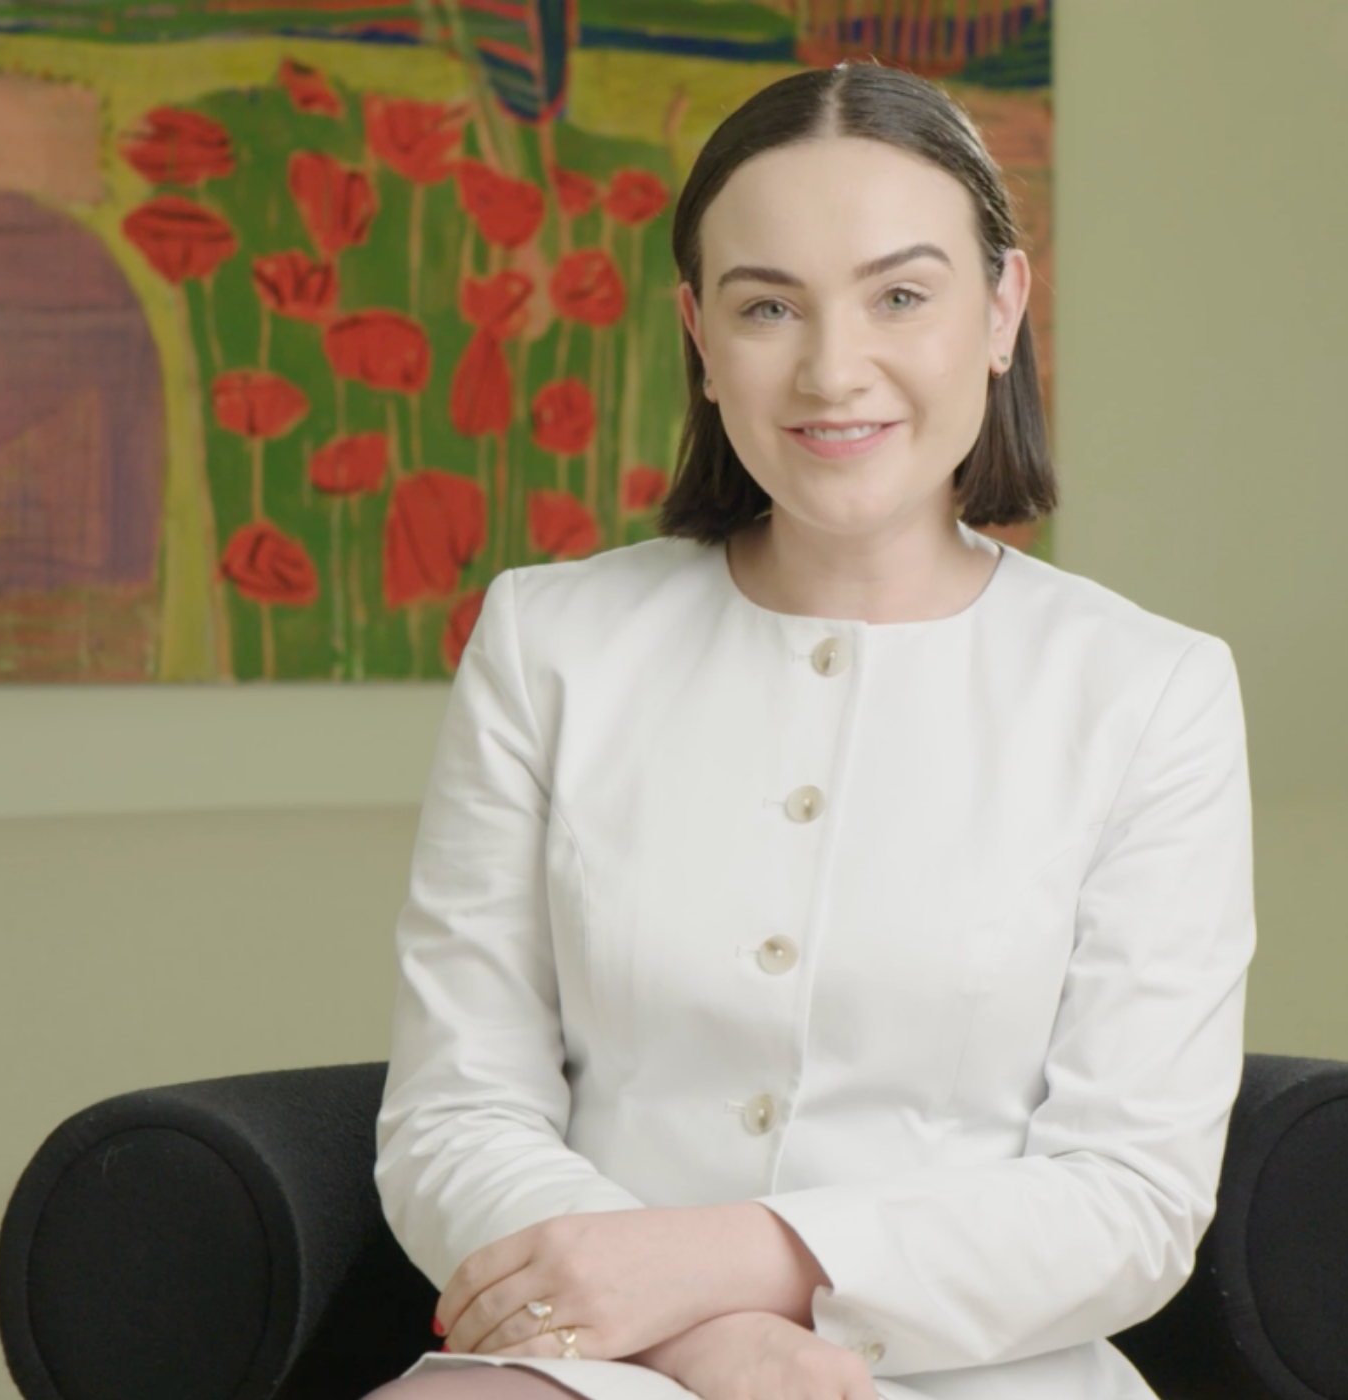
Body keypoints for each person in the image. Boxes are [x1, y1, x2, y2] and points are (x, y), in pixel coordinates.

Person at [365, 60, 1256, 1400]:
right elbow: (455, 1112)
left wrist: (734, 1263)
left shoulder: (1146, 688)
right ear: (700, 334)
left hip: (981, 1368)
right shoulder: (550, 642)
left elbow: (1129, 1198)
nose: (834, 372)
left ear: (1001, 309)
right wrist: (698, 1339)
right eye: (768, 306)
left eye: (900, 295)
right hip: (598, 1362)